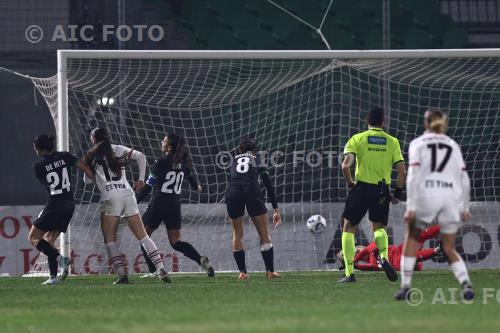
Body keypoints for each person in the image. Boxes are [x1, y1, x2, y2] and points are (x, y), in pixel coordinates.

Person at [394, 108, 474, 301]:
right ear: (443, 123)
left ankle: (405, 287)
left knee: (411, 240)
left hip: (427, 196)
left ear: (425, 123)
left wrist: (411, 207)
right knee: (448, 247)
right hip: (450, 198)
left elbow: (412, 177)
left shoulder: (418, 143)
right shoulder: (453, 144)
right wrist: (465, 207)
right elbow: (464, 178)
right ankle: (466, 284)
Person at [83, 127, 171, 284]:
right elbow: (141, 156)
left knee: (110, 239)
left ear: (93, 140)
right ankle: (161, 268)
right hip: (128, 194)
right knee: (143, 236)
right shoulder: (117, 149)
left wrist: (88, 167)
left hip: (111, 196)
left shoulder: (92, 155)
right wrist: (141, 179)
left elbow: (87, 181)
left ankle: (122, 275)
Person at [339, 107, 406, 283]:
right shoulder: (392, 142)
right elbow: (402, 171)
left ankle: (349, 272)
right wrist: (397, 193)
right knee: (379, 228)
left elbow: (345, 165)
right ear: (383, 123)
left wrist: (350, 183)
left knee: (348, 227)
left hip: (361, 188)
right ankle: (384, 258)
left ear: (366, 121)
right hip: (382, 190)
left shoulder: (358, 139)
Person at [136, 134, 215, 277]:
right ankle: (201, 260)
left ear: (169, 147)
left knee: (144, 237)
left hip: (158, 204)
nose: (162, 142)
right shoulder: (183, 164)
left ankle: (154, 271)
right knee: (176, 242)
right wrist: (197, 187)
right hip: (174, 206)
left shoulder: (160, 163)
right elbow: (192, 180)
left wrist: (135, 202)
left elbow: (148, 186)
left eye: (164, 140)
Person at [31, 134, 94, 285]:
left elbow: (48, 186)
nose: (33, 149)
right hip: (69, 204)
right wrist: (97, 180)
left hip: (55, 205)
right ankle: (53, 278)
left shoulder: (38, 167)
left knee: (33, 238)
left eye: (35, 146)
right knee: (50, 239)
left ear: (40, 149)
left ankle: (61, 260)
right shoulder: (65, 156)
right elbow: (83, 166)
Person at [226, 138, 281, 280]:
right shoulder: (258, 158)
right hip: (251, 191)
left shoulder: (232, 160)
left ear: (240, 150)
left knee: (237, 233)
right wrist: (276, 209)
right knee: (264, 232)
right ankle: (270, 271)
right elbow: (267, 184)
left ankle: (242, 272)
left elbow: (231, 178)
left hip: (233, 192)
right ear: (254, 150)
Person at [337, 225, 441, 272]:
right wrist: (356, 266)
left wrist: (354, 262)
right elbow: (374, 267)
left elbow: (367, 250)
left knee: (416, 236)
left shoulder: (372, 246)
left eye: (354, 249)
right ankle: (438, 250)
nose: (357, 250)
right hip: (399, 264)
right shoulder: (370, 263)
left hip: (400, 250)